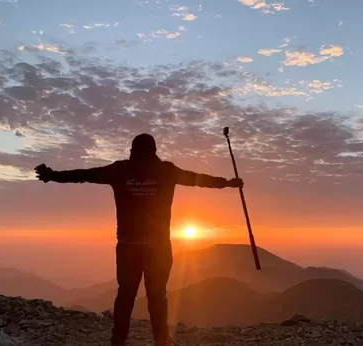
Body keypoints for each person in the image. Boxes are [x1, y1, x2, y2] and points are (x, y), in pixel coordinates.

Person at [35, 133, 243, 346]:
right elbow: (198, 179)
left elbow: (84, 175)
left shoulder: (119, 170)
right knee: (157, 296)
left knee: (125, 295)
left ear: (133, 150)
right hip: (159, 247)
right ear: (154, 150)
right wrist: (226, 183)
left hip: (128, 247)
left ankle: (118, 341)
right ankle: (161, 341)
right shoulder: (167, 171)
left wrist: (53, 175)